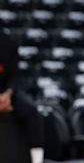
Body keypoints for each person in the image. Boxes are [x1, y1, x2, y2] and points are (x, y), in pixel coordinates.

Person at [0, 31, 44, 163]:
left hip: (6, 90)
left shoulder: (8, 42)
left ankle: (37, 157)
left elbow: (16, 74)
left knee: (31, 110)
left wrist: (7, 94)